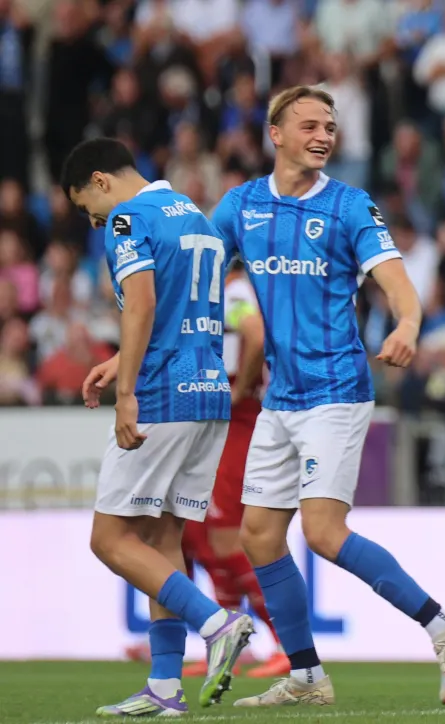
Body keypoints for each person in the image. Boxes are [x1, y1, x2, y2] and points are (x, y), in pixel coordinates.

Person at [210, 86, 445, 709]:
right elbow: (193, 275)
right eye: (308, 124)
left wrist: (408, 326)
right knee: (258, 536)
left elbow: (397, 285)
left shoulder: (350, 206)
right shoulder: (241, 206)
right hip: (280, 398)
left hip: (335, 389)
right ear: (274, 134)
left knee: (325, 532)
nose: (323, 135)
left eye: (330, 126)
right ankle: (306, 675)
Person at [63, 137, 255, 716]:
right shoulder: (192, 214)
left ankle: (217, 624)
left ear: (100, 180)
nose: (90, 219)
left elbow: (141, 304)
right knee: (163, 539)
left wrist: (127, 392)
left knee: (110, 539)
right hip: (209, 392)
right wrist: (119, 362)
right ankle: (166, 688)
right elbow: (186, 308)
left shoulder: (126, 218)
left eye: (83, 205)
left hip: (162, 395)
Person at [179, 261, 290, 679]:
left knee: (228, 538)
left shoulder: (237, 291)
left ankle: (287, 645)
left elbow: (256, 333)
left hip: (237, 420)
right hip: (212, 421)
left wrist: (240, 388)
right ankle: (228, 642)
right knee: (197, 534)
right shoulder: (219, 293)